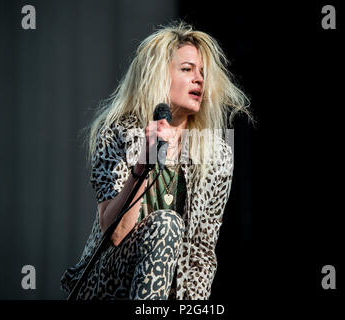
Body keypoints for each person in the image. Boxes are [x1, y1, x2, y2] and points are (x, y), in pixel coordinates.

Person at [60, 21, 252, 300]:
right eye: (187, 69)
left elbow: (201, 252)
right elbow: (114, 233)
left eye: (203, 72)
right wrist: (142, 166)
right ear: (158, 75)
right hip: (109, 283)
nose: (199, 79)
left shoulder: (218, 154)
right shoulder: (117, 132)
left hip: (172, 294)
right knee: (166, 223)